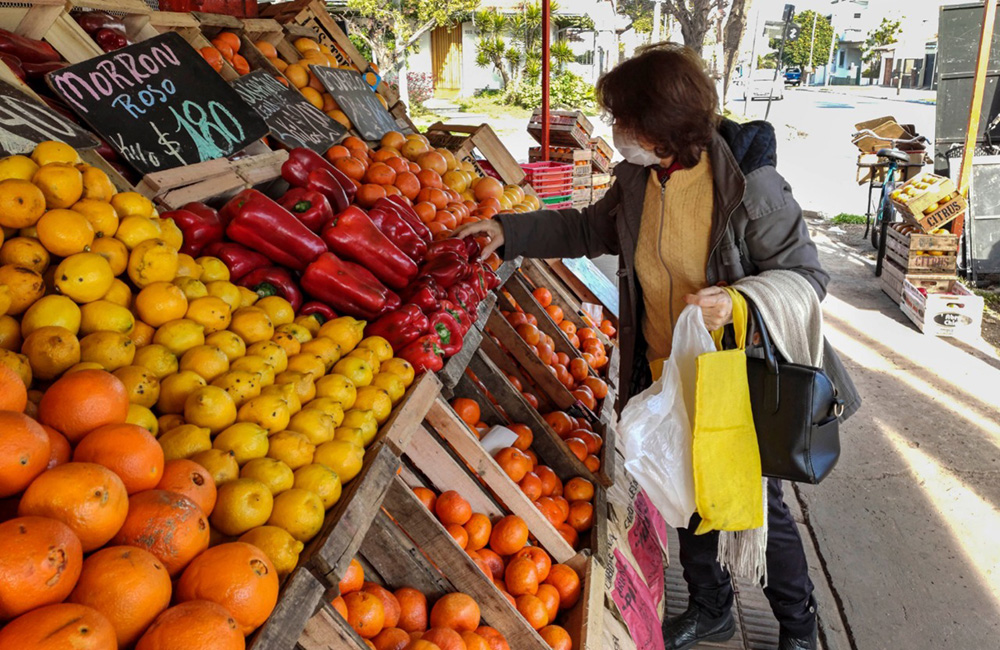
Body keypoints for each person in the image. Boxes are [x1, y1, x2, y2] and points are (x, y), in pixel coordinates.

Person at [455, 43, 858, 650]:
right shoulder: (639, 182)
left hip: (735, 377)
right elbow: (588, 229)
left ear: (665, 122)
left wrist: (738, 301)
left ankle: (800, 629)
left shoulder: (749, 184)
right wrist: (507, 230)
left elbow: (806, 277)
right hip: (664, 369)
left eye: (625, 120)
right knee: (682, 497)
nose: (617, 134)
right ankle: (711, 606)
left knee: (756, 511)